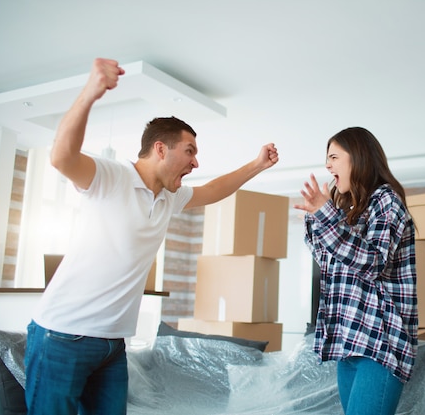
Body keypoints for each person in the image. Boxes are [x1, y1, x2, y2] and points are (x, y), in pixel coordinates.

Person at [24, 58, 279, 415]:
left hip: (112, 344)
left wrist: (256, 165)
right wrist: (91, 91)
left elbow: (212, 190)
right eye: (190, 151)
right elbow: (62, 156)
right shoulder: (109, 177)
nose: (195, 162)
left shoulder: (169, 198)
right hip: (63, 336)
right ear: (161, 148)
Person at [293, 127, 417, 415]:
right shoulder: (348, 209)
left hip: (379, 345)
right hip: (348, 343)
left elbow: (372, 262)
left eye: (334, 156)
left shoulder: (386, 202)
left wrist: (326, 215)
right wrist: (316, 219)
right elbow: (327, 261)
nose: (327, 165)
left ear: (358, 158)